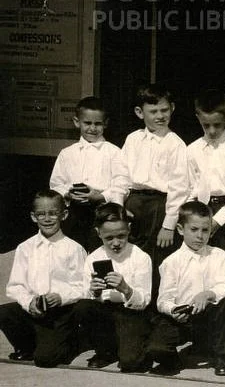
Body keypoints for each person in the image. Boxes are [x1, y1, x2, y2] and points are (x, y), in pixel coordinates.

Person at [147, 201, 225, 376]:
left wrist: (208, 294)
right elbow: (163, 300)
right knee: (155, 349)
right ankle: (175, 360)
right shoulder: (171, 262)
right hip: (183, 318)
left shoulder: (217, 254)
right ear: (181, 229)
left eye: (205, 230)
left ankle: (222, 356)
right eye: (194, 230)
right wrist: (174, 310)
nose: (200, 236)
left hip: (210, 316)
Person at [0, 190, 85, 367]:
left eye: (53, 213)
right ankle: (28, 346)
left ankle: (74, 342)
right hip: (34, 310)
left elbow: (83, 287)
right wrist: (29, 302)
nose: (47, 219)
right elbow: (15, 286)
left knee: (46, 359)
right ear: (33, 217)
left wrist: (61, 296)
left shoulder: (74, 249)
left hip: (61, 312)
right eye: (41, 214)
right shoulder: (25, 248)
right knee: (4, 312)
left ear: (64, 215)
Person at [74, 203, 152, 372]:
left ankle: (135, 347)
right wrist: (94, 291)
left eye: (121, 236)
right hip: (106, 312)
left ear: (129, 229)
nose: (116, 243)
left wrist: (126, 289)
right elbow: (86, 295)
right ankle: (105, 350)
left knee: (130, 363)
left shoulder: (140, 257)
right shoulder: (93, 258)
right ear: (98, 233)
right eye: (109, 238)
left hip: (132, 313)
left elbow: (144, 301)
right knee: (83, 306)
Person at [50, 96, 130, 253]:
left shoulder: (114, 152)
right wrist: (68, 193)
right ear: (76, 122)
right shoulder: (67, 153)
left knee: (99, 252)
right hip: (74, 212)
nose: (92, 128)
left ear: (105, 124)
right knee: (72, 251)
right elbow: (56, 184)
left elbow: (122, 183)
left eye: (98, 124)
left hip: (102, 211)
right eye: (87, 123)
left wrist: (101, 196)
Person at [122, 84, 189, 266]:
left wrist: (168, 225)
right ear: (139, 112)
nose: (160, 116)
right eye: (153, 111)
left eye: (164, 110)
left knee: (155, 256)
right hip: (133, 204)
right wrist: (120, 207)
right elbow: (122, 177)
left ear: (172, 108)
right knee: (130, 256)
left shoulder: (176, 144)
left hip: (159, 207)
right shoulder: (132, 139)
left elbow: (180, 188)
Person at [187, 89, 225, 252]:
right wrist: (193, 217)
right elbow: (190, 188)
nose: (212, 130)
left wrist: (217, 221)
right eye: (206, 125)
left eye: (217, 125)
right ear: (198, 118)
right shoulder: (192, 149)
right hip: (200, 211)